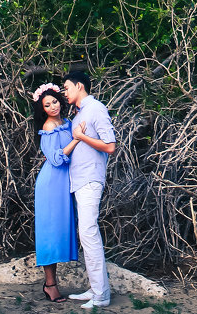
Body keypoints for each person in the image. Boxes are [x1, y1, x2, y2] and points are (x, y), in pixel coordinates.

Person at [63, 69, 117, 309]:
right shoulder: (80, 113)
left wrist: (81, 138)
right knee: (86, 235)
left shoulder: (96, 109)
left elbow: (110, 146)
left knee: (89, 233)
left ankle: (102, 296)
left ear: (79, 87)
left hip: (90, 180)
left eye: (67, 88)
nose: (65, 93)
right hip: (80, 180)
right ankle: (97, 289)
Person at [31, 82, 80, 303]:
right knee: (50, 233)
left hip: (64, 184)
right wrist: (77, 139)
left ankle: (52, 283)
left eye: (55, 102)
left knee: (60, 232)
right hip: (51, 184)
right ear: (42, 109)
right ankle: (50, 285)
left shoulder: (67, 122)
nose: (53, 107)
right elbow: (55, 158)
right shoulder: (49, 127)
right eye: (47, 105)